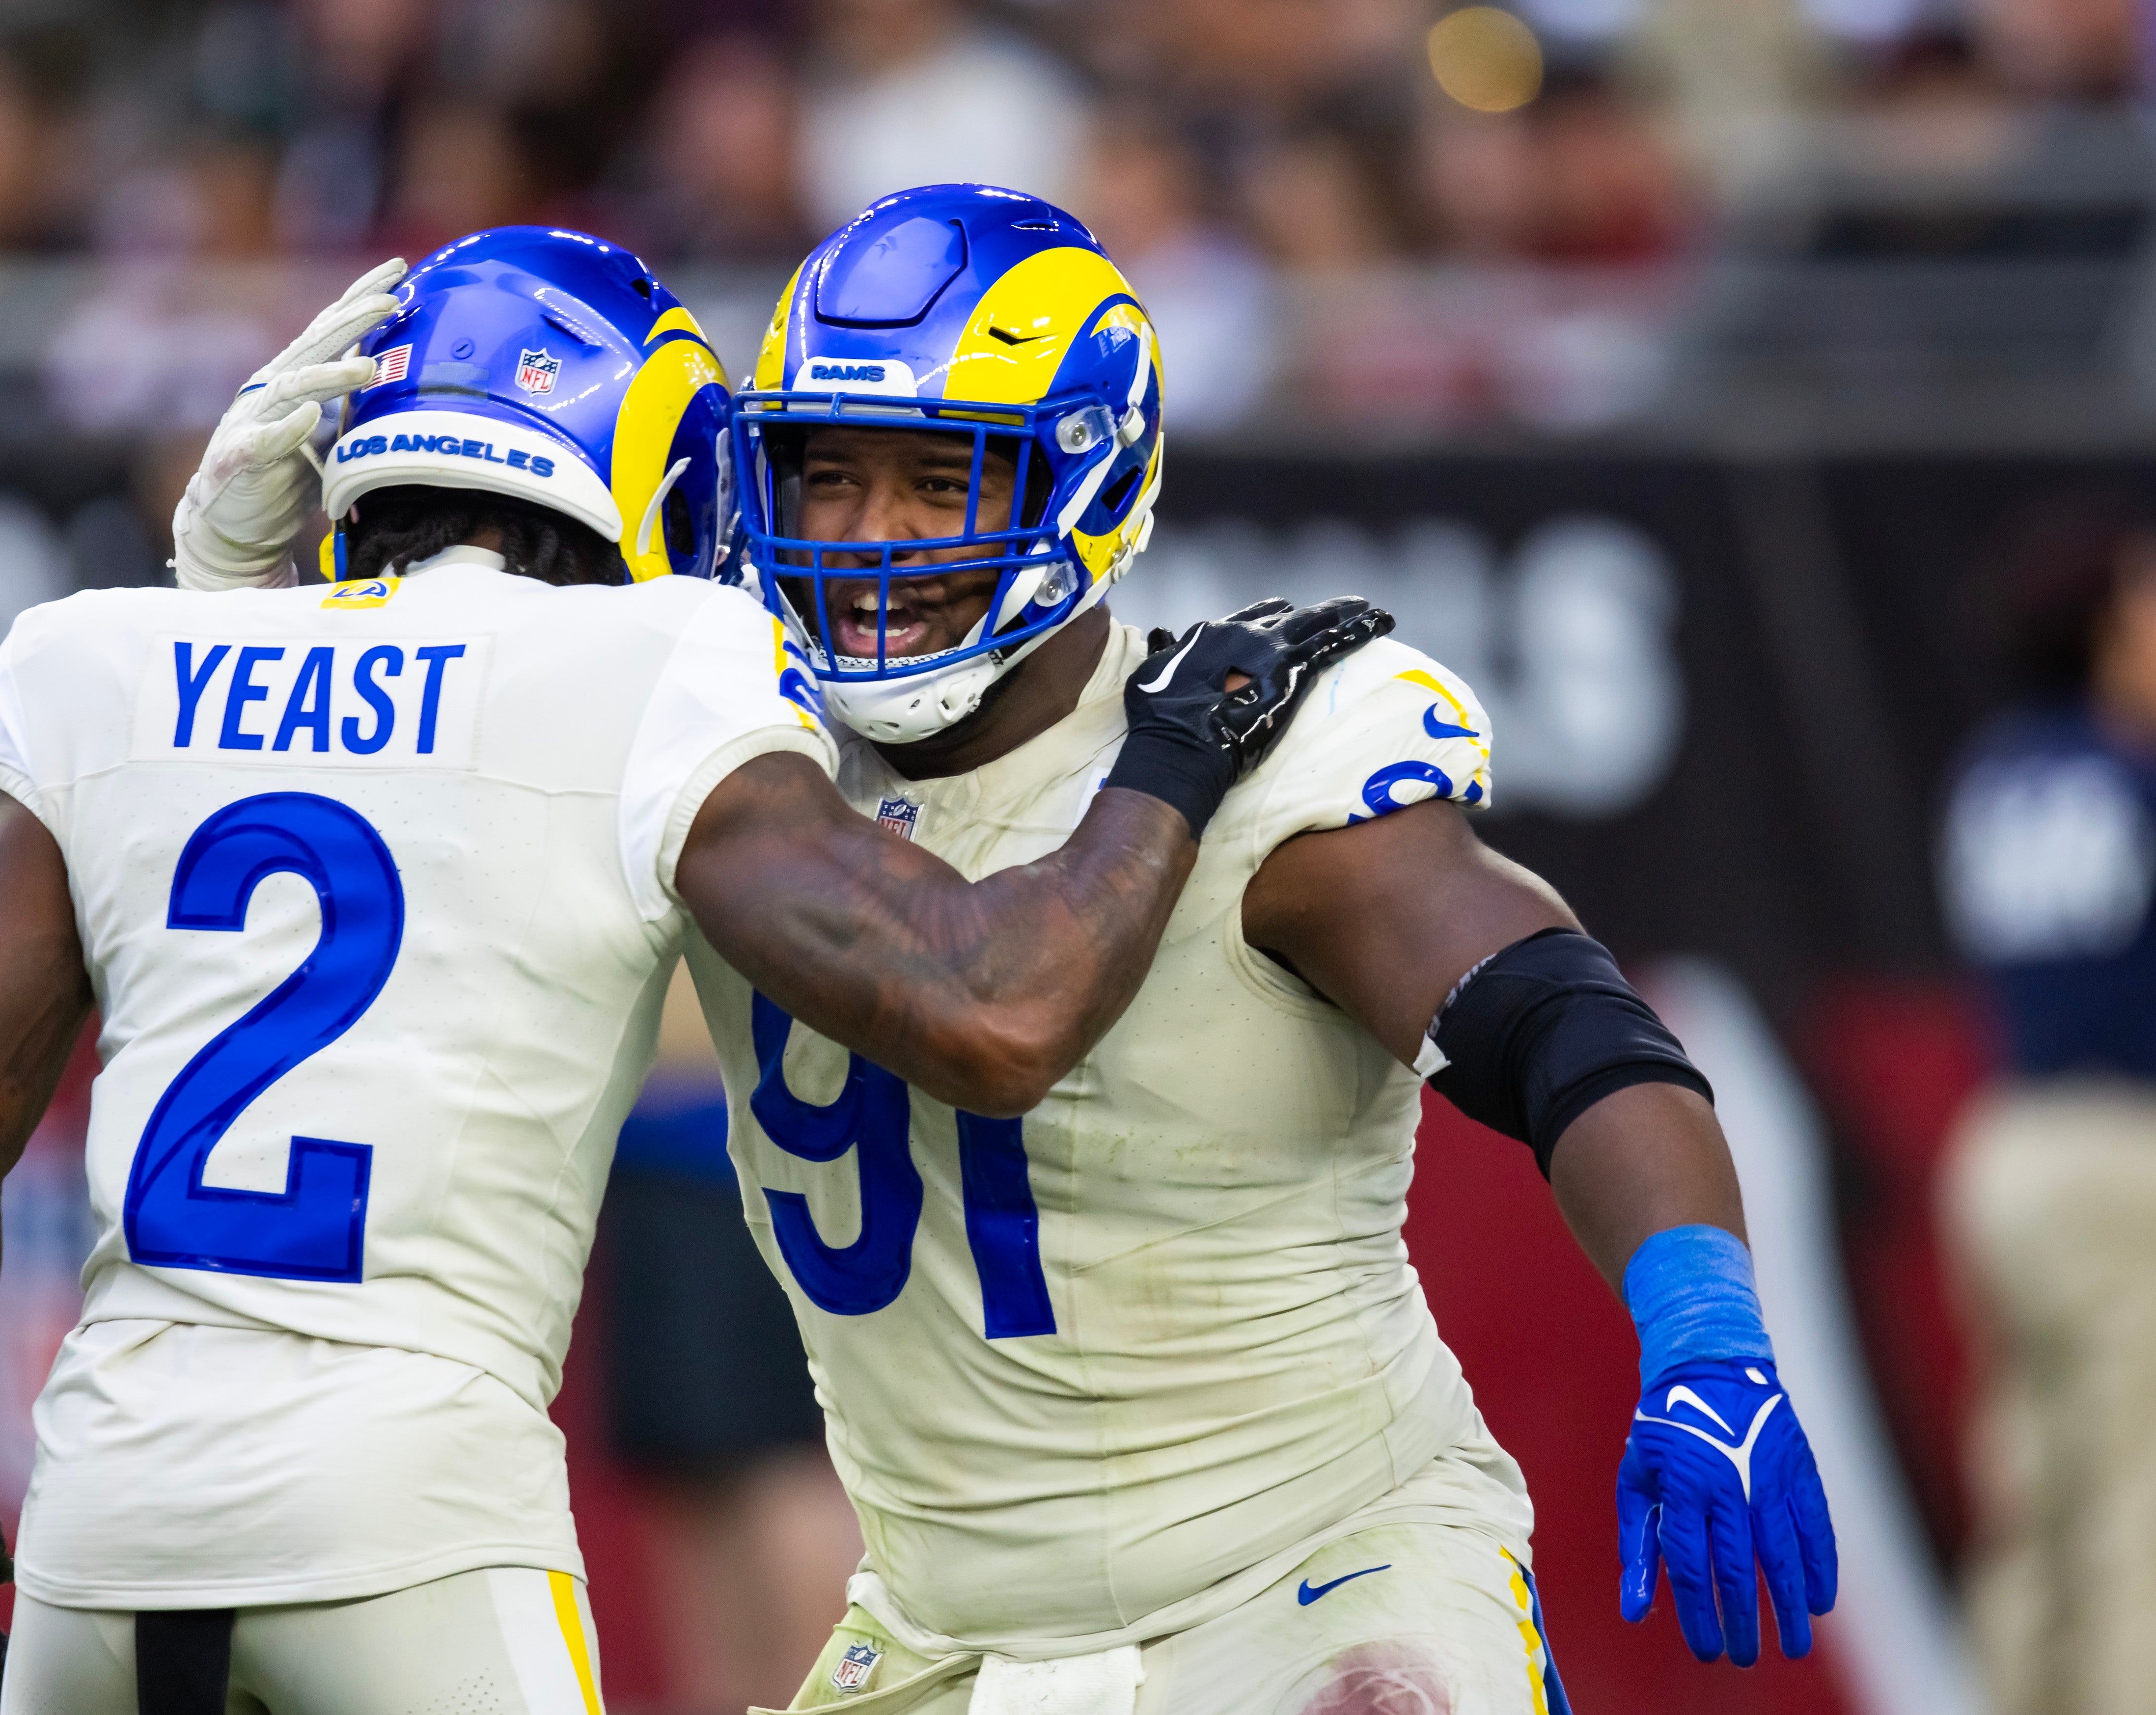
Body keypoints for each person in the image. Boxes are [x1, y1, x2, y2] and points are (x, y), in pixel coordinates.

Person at [0, 227, 1369, 1713]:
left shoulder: (96, 659)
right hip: (405, 1520)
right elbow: (993, 1001)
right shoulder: (662, 664)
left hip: (102, 1516)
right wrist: (1180, 745)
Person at [683, 184, 1842, 1715]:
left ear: (1083, 482)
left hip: (1313, 1579)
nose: (869, 538)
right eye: (824, 477)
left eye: (936, 478)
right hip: (940, 1629)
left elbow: (1556, 1021)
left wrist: (1702, 1321)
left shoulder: (1263, 748)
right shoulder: (722, 761)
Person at [1937, 493, 2156, 1715]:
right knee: (2137, 1505)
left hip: (2010, 1146)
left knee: (2031, 1491)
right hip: (2125, 1151)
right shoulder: (2130, 775)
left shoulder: (1997, 772)